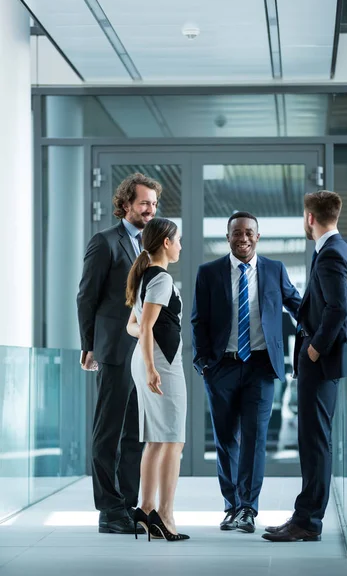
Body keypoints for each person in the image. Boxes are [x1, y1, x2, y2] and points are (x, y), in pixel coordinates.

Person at [191, 211, 301, 534]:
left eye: (249, 232)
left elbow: (297, 306)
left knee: (254, 437)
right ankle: (231, 506)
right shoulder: (208, 273)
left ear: (257, 236)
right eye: (236, 233)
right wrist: (203, 363)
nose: (243, 238)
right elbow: (198, 320)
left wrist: (320, 334)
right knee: (226, 439)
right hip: (221, 365)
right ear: (228, 238)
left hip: (261, 365)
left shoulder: (274, 270)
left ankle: (248, 509)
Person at [263, 190, 347, 542]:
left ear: (309, 218)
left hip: (320, 363)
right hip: (322, 364)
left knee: (315, 442)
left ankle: (307, 521)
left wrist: (314, 350)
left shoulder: (331, 255)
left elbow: (338, 308)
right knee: (314, 440)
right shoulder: (338, 250)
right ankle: (305, 515)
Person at [77, 173, 162, 534]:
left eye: (154, 205)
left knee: (133, 433)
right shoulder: (105, 242)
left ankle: (127, 504)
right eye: (144, 203)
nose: (150, 210)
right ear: (126, 203)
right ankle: (109, 509)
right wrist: (89, 344)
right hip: (113, 351)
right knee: (108, 432)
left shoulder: (148, 246)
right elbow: (87, 296)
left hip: (139, 353)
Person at [126, 218, 189, 542]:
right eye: (178, 240)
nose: (180, 246)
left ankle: (145, 508)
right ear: (166, 242)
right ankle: (164, 513)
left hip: (151, 360)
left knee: (156, 439)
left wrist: (146, 352)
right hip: (161, 365)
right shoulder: (161, 278)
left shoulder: (144, 276)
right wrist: (152, 367)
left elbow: (133, 326)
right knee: (172, 441)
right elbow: (145, 327)